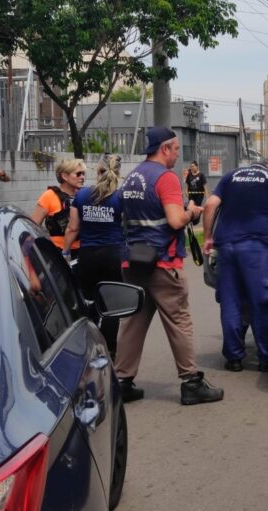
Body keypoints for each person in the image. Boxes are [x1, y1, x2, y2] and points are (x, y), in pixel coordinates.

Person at [116, 126, 223, 405]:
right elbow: (175, 221)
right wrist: (192, 211)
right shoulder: (165, 178)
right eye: (176, 149)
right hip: (163, 262)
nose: (178, 155)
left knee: (133, 322)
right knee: (179, 321)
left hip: (133, 262)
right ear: (164, 148)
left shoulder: (132, 177)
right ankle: (191, 383)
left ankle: (122, 382)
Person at [202, 156, 268, 373]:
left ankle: (233, 358)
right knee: (260, 302)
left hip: (226, 247)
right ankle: (267, 357)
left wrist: (207, 237)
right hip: (255, 247)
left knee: (231, 302)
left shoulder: (230, 176)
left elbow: (210, 205)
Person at [64, 154, 124, 358]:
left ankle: (88, 345)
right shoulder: (121, 197)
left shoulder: (81, 196)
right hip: (114, 255)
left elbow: (73, 228)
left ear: (98, 171)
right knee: (111, 306)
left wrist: (64, 251)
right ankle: (110, 350)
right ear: (118, 172)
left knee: (88, 302)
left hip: (88, 256)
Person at [31, 158, 86, 256]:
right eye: (78, 174)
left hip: (84, 250)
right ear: (65, 176)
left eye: (83, 174)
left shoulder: (84, 195)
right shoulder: (49, 196)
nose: (82, 177)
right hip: (58, 252)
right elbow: (32, 227)